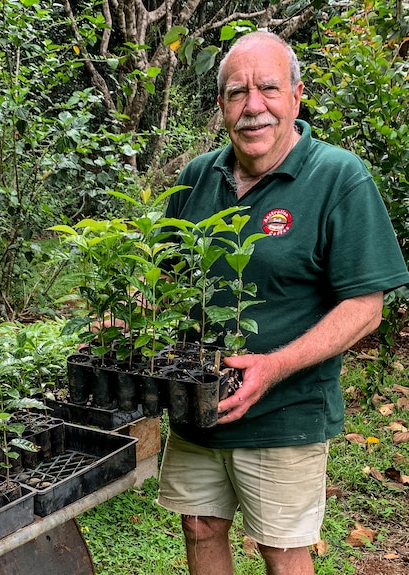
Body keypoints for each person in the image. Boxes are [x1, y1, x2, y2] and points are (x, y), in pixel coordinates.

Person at [156, 30, 409, 575]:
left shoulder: (336, 176)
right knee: (200, 525)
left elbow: (365, 306)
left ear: (296, 96)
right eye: (236, 92)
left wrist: (274, 367)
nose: (253, 107)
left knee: (281, 547)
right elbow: (164, 278)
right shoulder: (198, 177)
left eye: (268, 88)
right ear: (221, 104)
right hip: (197, 401)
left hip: (285, 410)